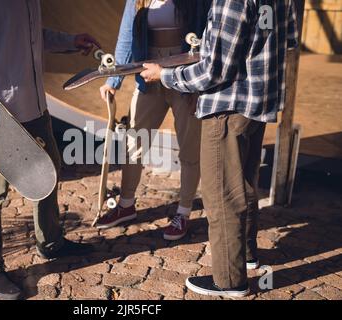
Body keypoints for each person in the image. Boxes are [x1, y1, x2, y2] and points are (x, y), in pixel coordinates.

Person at [0, 0, 100, 300]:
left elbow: (28, 33)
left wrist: (69, 42)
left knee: (49, 173)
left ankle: (50, 242)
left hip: (34, 107)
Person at [141, 0, 299, 297]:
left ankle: (229, 281)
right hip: (258, 105)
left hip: (227, 109)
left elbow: (214, 71)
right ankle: (247, 256)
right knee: (245, 184)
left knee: (222, 195)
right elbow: (287, 39)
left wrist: (165, 76)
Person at [97, 0, 211, 241]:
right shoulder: (138, 1)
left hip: (185, 80)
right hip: (148, 79)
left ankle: (184, 212)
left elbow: (207, 34)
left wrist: (200, 86)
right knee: (134, 143)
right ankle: (126, 205)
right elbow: (126, 38)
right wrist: (113, 81)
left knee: (190, 149)